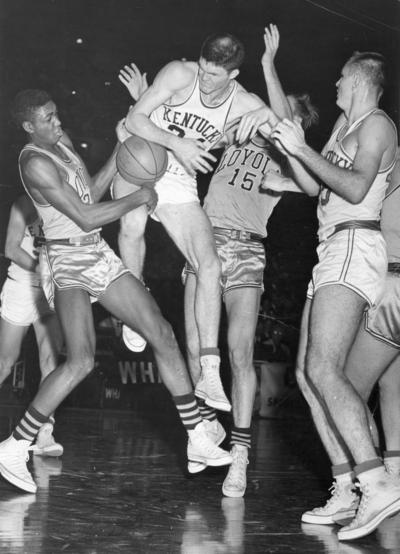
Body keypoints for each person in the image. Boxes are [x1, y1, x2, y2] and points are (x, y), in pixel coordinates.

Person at [0, 89, 232, 494]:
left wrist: (122, 150)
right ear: (27, 126)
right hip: (65, 264)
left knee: (160, 330)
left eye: (57, 115)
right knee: (81, 361)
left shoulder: (62, 144)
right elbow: (88, 216)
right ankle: (16, 445)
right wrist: (139, 196)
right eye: (49, 119)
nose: (58, 123)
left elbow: (89, 190)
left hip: (96, 254)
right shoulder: (34, 163)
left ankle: (197, 436)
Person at [183, 25, 319, 497]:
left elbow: (310, 185)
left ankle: (239, 456)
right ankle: (206, 427)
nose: (274, 121)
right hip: (203, 237)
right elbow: (195, 134)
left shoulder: (290, 164)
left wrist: (266, 66)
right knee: (195, 347)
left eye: (286, 119)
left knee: (240, 353)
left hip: (245, 248)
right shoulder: (240, 132)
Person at [269, 52, 399, 541]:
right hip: (331, 246)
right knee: (307, 374)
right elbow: (314, 182)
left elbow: (356, 184)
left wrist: (301, 150)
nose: (335, 83)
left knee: (325, 367)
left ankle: (376, 483)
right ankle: (346, 487)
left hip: (354, 242)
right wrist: (290, 155)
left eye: (341, 77)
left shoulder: (378, 126)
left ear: (362, 80)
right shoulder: (346, 123)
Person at [114, 33, 278, 413]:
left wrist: (267, 114)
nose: (204, 79)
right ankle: (135, 311)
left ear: (234, 74)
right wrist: (177, 142)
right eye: (202, 69)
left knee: (211, 264)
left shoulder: (244, 103)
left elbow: (288, 134)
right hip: (144, 150)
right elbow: (137, 117)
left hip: (179, 177)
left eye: (214, 75)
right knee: (133, 224)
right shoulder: (179, 73)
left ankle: (209, 368)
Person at [0, 194, 63, 457]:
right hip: (21, 285)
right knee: (5, 360)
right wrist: (42, 268)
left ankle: (45, 432)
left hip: (53, 290)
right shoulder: (22, 204)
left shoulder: (63, 202)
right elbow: (11, 249)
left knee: (50, 361)